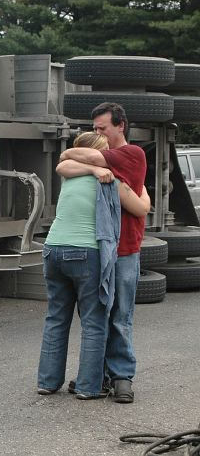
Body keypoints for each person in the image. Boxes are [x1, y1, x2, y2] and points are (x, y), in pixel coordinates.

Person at [37, 131, 150, 399]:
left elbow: (63, 163)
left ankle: (47, 382)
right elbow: (141, 208)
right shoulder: (111, 180)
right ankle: (89, 387)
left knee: (56, 317)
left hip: (53, 249)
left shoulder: (69, 175)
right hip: (86, 253)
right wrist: (142, 187)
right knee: (94, 321)